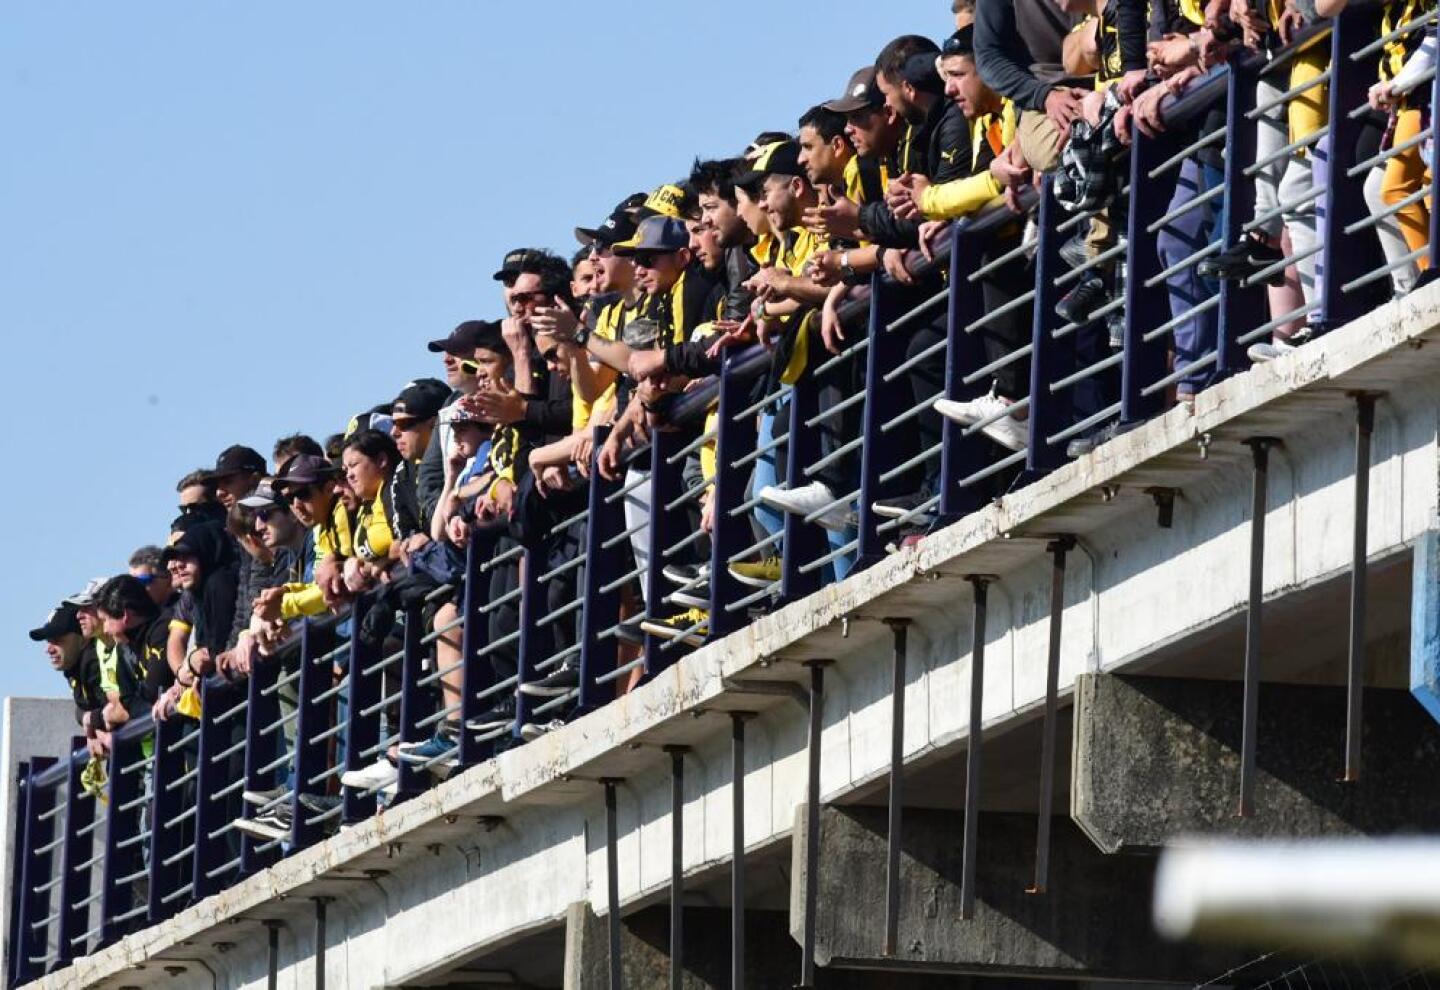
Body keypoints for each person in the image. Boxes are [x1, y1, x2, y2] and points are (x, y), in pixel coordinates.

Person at [29, 600, 104, 735]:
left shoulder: (94, 664)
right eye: (48, 641)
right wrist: (86, 718)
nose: (49, 649)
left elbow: (117, 710)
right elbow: (81, 709)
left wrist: (94, 723)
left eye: (57, 640)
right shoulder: (73, 669)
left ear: (83, 640)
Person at [202, 445, 268, 510]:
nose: (219, 493)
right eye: (217, 486)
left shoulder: (275, 518)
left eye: (227, 482)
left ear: (255, 480)